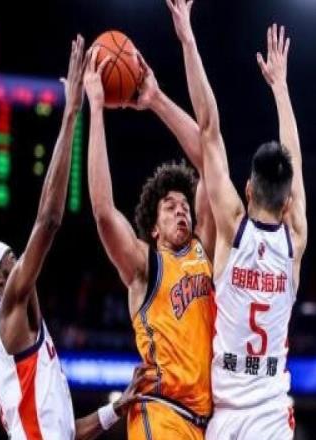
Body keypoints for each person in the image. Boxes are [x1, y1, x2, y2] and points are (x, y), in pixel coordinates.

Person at [0, 36, 149, 440]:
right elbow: (48, 221)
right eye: (11, 258)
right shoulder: (10, 307)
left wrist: (117, 407)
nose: (21, 261)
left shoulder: (19, 345)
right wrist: (71, 114)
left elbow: (65, 432)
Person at [166, 1, 307, 438]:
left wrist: (188, 40)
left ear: (247, 189)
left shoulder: (232, 225)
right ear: (288, 203)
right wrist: (280, 87)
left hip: (227, 416)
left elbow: (208, 129)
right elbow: (295, 162)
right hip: (271, 415)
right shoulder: (295, 239)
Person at [84, 42, 215, 439]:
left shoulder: (205, 250)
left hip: (205, 423)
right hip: (160, 412)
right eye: (170, 207)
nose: (182, 210)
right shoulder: (145, 264)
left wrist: (156, 99)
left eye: (185, 205)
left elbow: (210, 158)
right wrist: (96, 110)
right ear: (154, 228)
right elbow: (103, 211)